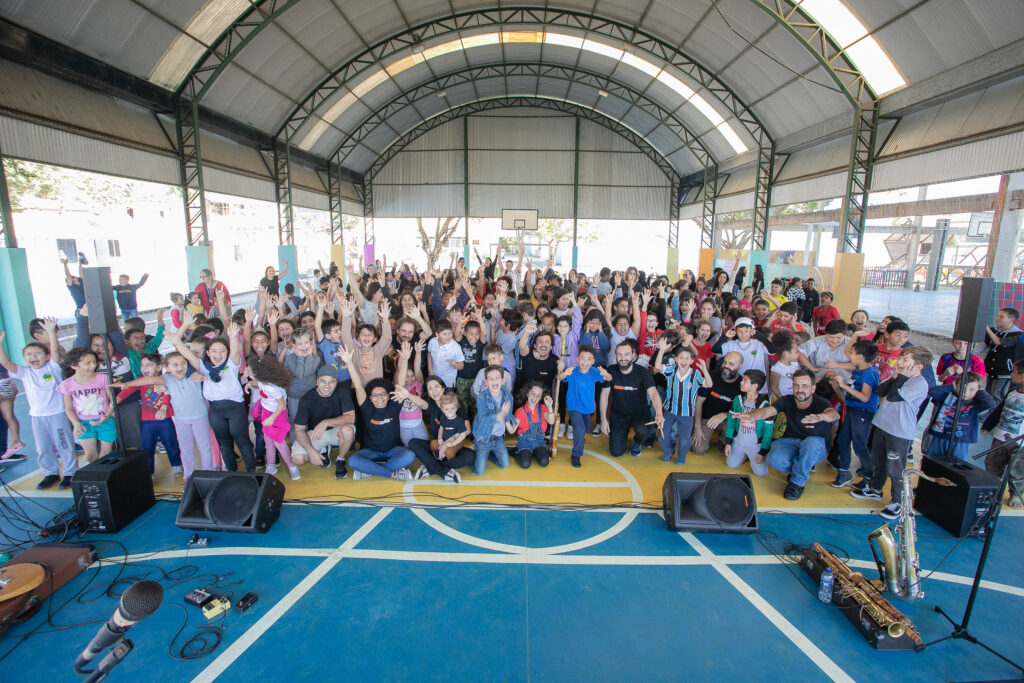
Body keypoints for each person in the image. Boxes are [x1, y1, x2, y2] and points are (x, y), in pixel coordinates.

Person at [851, 347, 933, 519]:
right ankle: (875, 488)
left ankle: (898, 501)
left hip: (899, 432)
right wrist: (896, 376)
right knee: (877, 460)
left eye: (906, 360)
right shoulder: (897, 376)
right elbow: (881, 391)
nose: (900, 362)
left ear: (919, 366)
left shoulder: (919, 384)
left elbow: (895, 396)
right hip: (883, 425)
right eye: (901, 358)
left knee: (896, 468)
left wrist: (901, 376)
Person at [116, 342, 214, 476]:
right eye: (174, 365)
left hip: (200, 418)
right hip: (181, 421)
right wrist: (127, 384)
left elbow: (193, 368)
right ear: (167, 368)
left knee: (205, 448)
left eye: (183, 363)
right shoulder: (166, 379)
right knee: (186, 450)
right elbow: (147, 380)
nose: (180, 367)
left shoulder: (192, 375)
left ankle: (208, 475)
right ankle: (188, 477)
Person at [168, 323, 257, 472]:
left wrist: (233, 337)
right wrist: (177, 342)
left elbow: (234, 350)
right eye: (214, 351)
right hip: (216, 410)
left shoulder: (232, 364)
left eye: (222, 351)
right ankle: (232, 474)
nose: (218, 354)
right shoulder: (203, 367)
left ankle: (252, 474)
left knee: (243, 441)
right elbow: (188, 355)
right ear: (208, 353)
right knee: (224, 444)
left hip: (235, 408)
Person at [0, 326, 77, 489]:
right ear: (24, 358)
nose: (33, 357)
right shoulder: (24, 372)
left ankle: (70, 472)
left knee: (64, 444)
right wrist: (0, 343)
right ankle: (51, 473)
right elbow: (5, 362)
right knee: (43, 447)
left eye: (38, 353)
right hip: (37, 416)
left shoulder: (52, 368)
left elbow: (55, 352)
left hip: (57, 414)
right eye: (28, 354)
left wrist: (50, 333)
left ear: (47, 356)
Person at [746, 369, 840, 500]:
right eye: (797, 385)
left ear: (813, 389)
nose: (800, 389)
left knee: (811, 443)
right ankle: (802, 467)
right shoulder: (787, 400)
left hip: (815, 445)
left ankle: (797, 483)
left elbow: (834, 414)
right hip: (791, 441)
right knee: (774, 459)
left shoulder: (821, 402)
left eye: (805, 386)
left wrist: (821, 416)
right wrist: (750, 416)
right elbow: (767, 411)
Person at [337, 345, 414, 481]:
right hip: (370, 452)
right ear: (370, 398)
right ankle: (390, 473)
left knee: (409, 456)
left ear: (388, 395)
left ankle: (370, 470)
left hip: (392, 450)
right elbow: (358, 386)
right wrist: (349, 362)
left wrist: (405, 360)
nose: (380, 398)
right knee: (352, 461)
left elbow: (400, 385)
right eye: (375, 396)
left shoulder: (394, 405)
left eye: (383, 394)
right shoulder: (367, 407)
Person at [115, 353, 184, 480]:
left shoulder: (165, 379)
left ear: (158, 367)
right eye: (142, 365)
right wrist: (116, 400)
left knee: (171, 443)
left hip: (165, 419)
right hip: (147, 421)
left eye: (148, 365)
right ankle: (149, 471)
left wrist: (163, 408)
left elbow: (167, 394)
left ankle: (177, 464)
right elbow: (127, 391)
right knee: (147, 447)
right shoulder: (141, 381)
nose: (144, 368)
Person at [825, 339, 879, 488]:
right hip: (851, 409)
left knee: (860, 446)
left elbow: (865, 397)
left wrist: (843, 386)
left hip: (862, 412)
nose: (850, 355)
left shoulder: (869, 373)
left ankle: (869, 477)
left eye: (853, 353)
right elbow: (847, 354)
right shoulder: (859, 368)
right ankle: (844, 473)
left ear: (861, 357)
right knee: (842, 440)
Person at [599, 340, 665, 457]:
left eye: (627, 354)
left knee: (643, 431)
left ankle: (637, 441)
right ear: (616, 355)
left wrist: (659, 413)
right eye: (619, 354)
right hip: (619, 414)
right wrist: (603, 419)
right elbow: (604, 394)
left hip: (639, 413)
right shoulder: (610, 371)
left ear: (633, 355)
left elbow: (654, 393)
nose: (623, 358)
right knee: (616, 452)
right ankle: (621, 434)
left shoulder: (643, 372)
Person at [291, 367, 356, 478]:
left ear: (336, 383)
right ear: (317, 381)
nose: (327, 385)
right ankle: (323, 449)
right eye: (323, 381)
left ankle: (340, 459)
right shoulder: (307, 399)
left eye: (331, 381)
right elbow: (299, 429)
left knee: (348, 431)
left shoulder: (342, 392)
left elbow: (351, 418)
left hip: (336, 430)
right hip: (316, 434)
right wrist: (310, 451)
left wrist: (326, 422)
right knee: (298, 459)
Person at [653, 340, 711, 465]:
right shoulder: (671, 370)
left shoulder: (695, 374)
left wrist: (704, 370)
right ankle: (668, 452)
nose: (684, 360)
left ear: (691, 361)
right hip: (669, 411)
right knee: (663, 435)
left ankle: (682, 455)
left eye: (687, 358)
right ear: (676, 360)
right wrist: (662, 350)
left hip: (687, 414)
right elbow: (657, 367)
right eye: (681, 357)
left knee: (685, 438)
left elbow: (709, 384)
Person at [58, 348, 116, 464]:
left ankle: (105, 475)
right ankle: (97, 475)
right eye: (87, 363)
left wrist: (107, 415)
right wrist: (76, 423)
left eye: (94, 362)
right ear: (74, 366)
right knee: (90, 455)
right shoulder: (67, 384)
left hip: (105, 420)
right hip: (83, 424)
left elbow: (113, 400)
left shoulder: (103, 378)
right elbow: (68, 408)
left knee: (107, 452)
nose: (93, 365)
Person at [923, 372, 995, 462]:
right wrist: (953, 386)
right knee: (932, 460)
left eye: (971, 390)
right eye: (962, 388)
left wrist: (980, 391)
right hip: (940, 435)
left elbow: (991, 403)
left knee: (956, 464)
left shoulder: (976, 402)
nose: (966, 392)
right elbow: (932, 391)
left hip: (960, 440)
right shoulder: (947, 395)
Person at [247, 356, 299, 480]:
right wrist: (250, 383)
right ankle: (270, 465)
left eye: (250, 372)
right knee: (268, 441)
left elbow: (282, 405)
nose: (248, 373)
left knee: (279, 442)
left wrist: (272, 419)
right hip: (266, 412)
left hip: (277, 415)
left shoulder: (273, 388)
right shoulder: (261, 381)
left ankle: (292, 466)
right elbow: (258, 385)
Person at [981, 359, 1024, 507]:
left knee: (1017, 470)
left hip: (1019, 443)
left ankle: (1015, 494)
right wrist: (988, 425)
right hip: (1000, 437)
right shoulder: (1012, 393)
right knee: (993, 463)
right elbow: (999, 410)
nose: (1011, 374)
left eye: (1014, 371)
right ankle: (992, 489)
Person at [559, 347, 611, 468]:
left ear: (593, 361)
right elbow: (559, 378)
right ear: (577, 360)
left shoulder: (594, 372)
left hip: (587, 407)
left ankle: (579, 438)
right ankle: (576, 455)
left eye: (588, 359)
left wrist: (606, 374)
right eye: (582, 359)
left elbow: (609, 379)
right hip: (573, 405)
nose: (585, 362)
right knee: (580, 429)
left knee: (586, 428)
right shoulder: (573, 371)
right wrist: (564, 373)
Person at [411, 392, 473, 482]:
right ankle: (440, 468)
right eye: (447, 409)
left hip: (454, 444)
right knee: (416, 443)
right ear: (442, 409)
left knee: (469, 456)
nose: (450, 411)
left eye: (452, 408)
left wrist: (450, 443)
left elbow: (464, 433)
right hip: (441, 442)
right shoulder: (441, 415)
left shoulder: (459, 419)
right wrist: (440, 439)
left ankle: (431, 468)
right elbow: (441, 428)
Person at [722, 370, 772, 476]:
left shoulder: (765, 405)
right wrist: (728, 442)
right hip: (738, 441)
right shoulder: (738, 399)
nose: (741, 382)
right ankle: (744, 456)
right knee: (731, 464)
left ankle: (751, 456)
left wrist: (763, 451)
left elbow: (768, 432)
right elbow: (731, 422)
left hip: (754, 445)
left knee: (761, 473)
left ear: (754, 386)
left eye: (745, 381)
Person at [692, 351, 744, 453]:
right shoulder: (710, 376)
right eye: (725, 362)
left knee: (728, 426)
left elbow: (743, 412)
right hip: (707, 418)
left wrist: (725, 415)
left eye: (731, 364)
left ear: (740, 367)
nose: (726, 366)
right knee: (698, 449)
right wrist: (697, 427)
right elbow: (699, 402)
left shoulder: (742, 385)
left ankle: (723, 439)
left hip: (727, 420)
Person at [472, 365, 514, 475]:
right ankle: (477, 453)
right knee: (479, 472)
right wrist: (498, 415)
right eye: (490, 378)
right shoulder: (482, 397)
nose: (494, 380)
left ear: (503, 381)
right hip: (483, 438)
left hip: (498, 438)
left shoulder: (508, 397)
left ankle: (487, 455)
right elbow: (483, 420)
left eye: (497, 377)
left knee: (505, 464)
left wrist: (511, 423)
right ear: (486, 382)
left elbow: (508, 416)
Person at [511, 382, 555, 469]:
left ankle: (533, 452)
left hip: (539, 441)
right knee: (525, 464)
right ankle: (514, 451)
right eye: (532, 393)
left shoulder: (543, 408)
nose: (535, 397)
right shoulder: (520, 411)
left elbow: (551, 421)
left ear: (541, 398)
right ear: (527, 393)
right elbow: (512, 430)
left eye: (538, 395)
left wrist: (550, 407)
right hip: (524, 441)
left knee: (544, 462)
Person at [984, 307, 1022, 399]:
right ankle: (987, 411)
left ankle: (995, 412)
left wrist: (985, 327)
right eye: (997, 316)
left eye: (1001, 317)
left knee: (997, 393)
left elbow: (998, 342)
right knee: (988, 391)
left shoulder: (1018, 335)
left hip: (1005, 370)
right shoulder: (994, 331)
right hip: (991, 368)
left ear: (1011, 320)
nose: (997, 318)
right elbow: (983, 346)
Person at [427, 320, 464, 388]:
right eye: (444, 334)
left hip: (448, 380)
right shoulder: (432, 342)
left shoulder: (456, 347)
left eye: (450, 333)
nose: (448, 336)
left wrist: (455, 364)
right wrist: (430, 370)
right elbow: (429, 353)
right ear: (437, 334)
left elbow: (461, 366)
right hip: (434, 376)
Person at [769, 333, 800, 399]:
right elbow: (774, 386)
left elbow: (800, 374)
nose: (798, 354)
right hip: (785, 398)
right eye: (796, 352)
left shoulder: (794, 362)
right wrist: (782, 399)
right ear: (786, 353)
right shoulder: (777, 369)